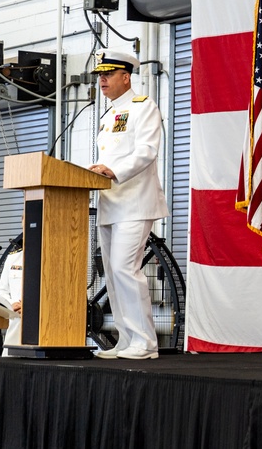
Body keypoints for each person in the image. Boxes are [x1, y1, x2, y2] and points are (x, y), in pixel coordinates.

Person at [88, 49, 169, 360]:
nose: (102, 80)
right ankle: (125, 339)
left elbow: (147, 150)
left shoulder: (143, 106)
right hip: (110, 203)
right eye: (100, 75)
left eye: (108, 74)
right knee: (112, 273)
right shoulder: (108, 115)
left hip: (135, 202)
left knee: (125, 268)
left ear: (126, 77)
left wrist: (113, 171)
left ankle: (145, 342)